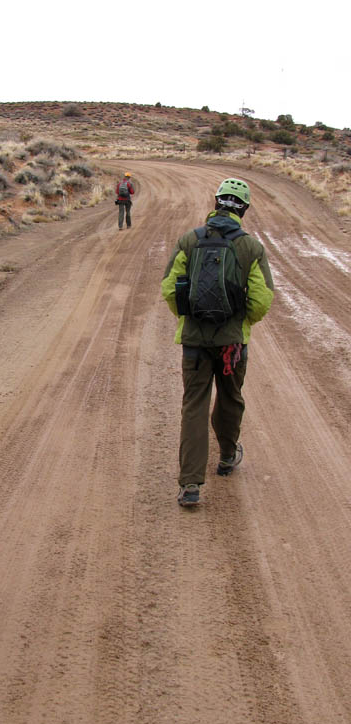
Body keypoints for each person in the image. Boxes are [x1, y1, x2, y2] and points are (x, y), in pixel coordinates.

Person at [161, 177, 274, 507]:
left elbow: (170, 289)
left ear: (216, 203)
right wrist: (240, 324)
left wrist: (189, 318)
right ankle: (226, 457)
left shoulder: (189, 241)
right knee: (230, 398)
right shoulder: (251, 247)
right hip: (233, 344)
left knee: (193, 406)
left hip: (194, 342)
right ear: (245, 209)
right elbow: (262, 299)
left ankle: (190, 485)